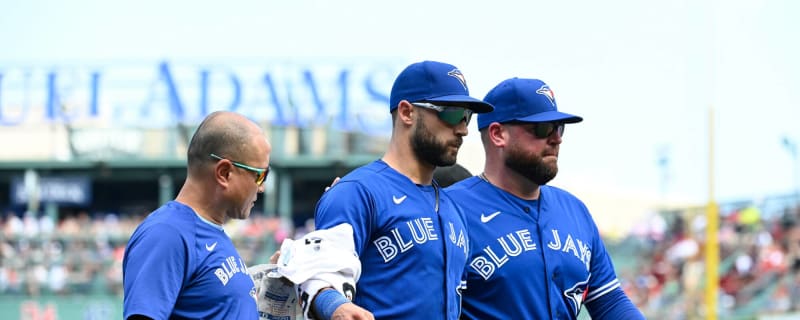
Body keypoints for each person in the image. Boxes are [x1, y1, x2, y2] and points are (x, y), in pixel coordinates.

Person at [293, 60, 494, 320]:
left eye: (467, 117)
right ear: (407, 112)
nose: (463, 129)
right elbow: (319, 277)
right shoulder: (357, 192)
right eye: (452, 113)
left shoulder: (451, 207)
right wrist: (333, 304)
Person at [446, 77, 645, 319]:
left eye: (559, 128)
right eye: (542, 129)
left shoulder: (574, 210)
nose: (556, 138)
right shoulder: (449, 210)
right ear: (498, 134)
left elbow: (610, 302)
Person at [123, 111, 271, 320]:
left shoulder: (210, 231)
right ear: (224, 173)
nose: (262, 187)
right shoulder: (167, 233)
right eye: (260, 175)